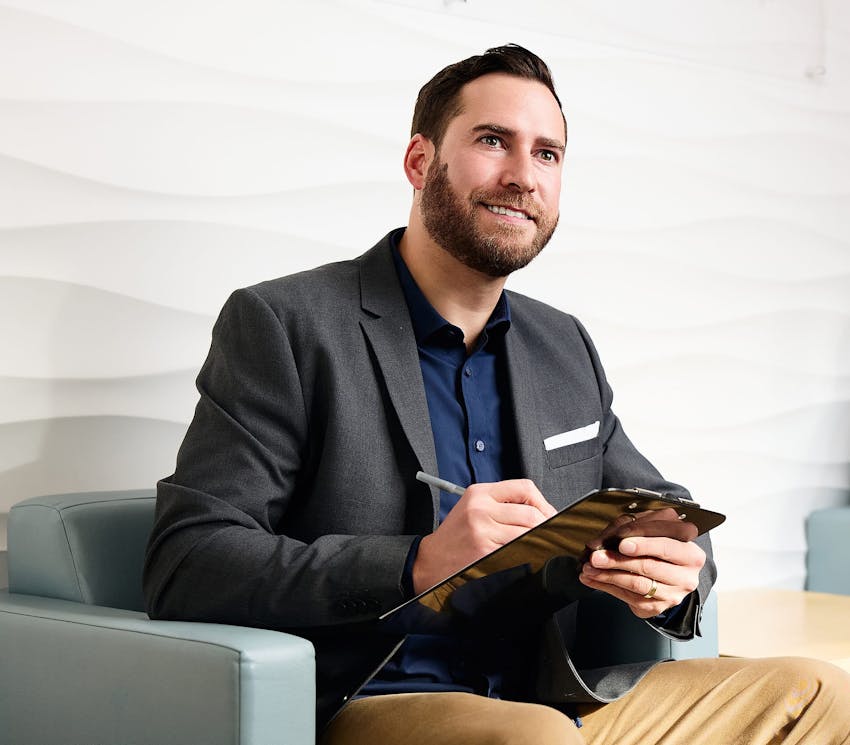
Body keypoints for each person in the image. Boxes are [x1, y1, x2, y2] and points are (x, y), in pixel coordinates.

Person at [143, 44, 850, 744]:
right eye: (492, 141)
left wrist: (671, 573)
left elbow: (660, 509)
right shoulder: (289, 324)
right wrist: (417, 561)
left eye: (547, 153)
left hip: (559, 696)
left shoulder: (562, 344)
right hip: (375, 701)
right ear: (421, 162)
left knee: (821, 692)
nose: (523, 175)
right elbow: (189, 561)